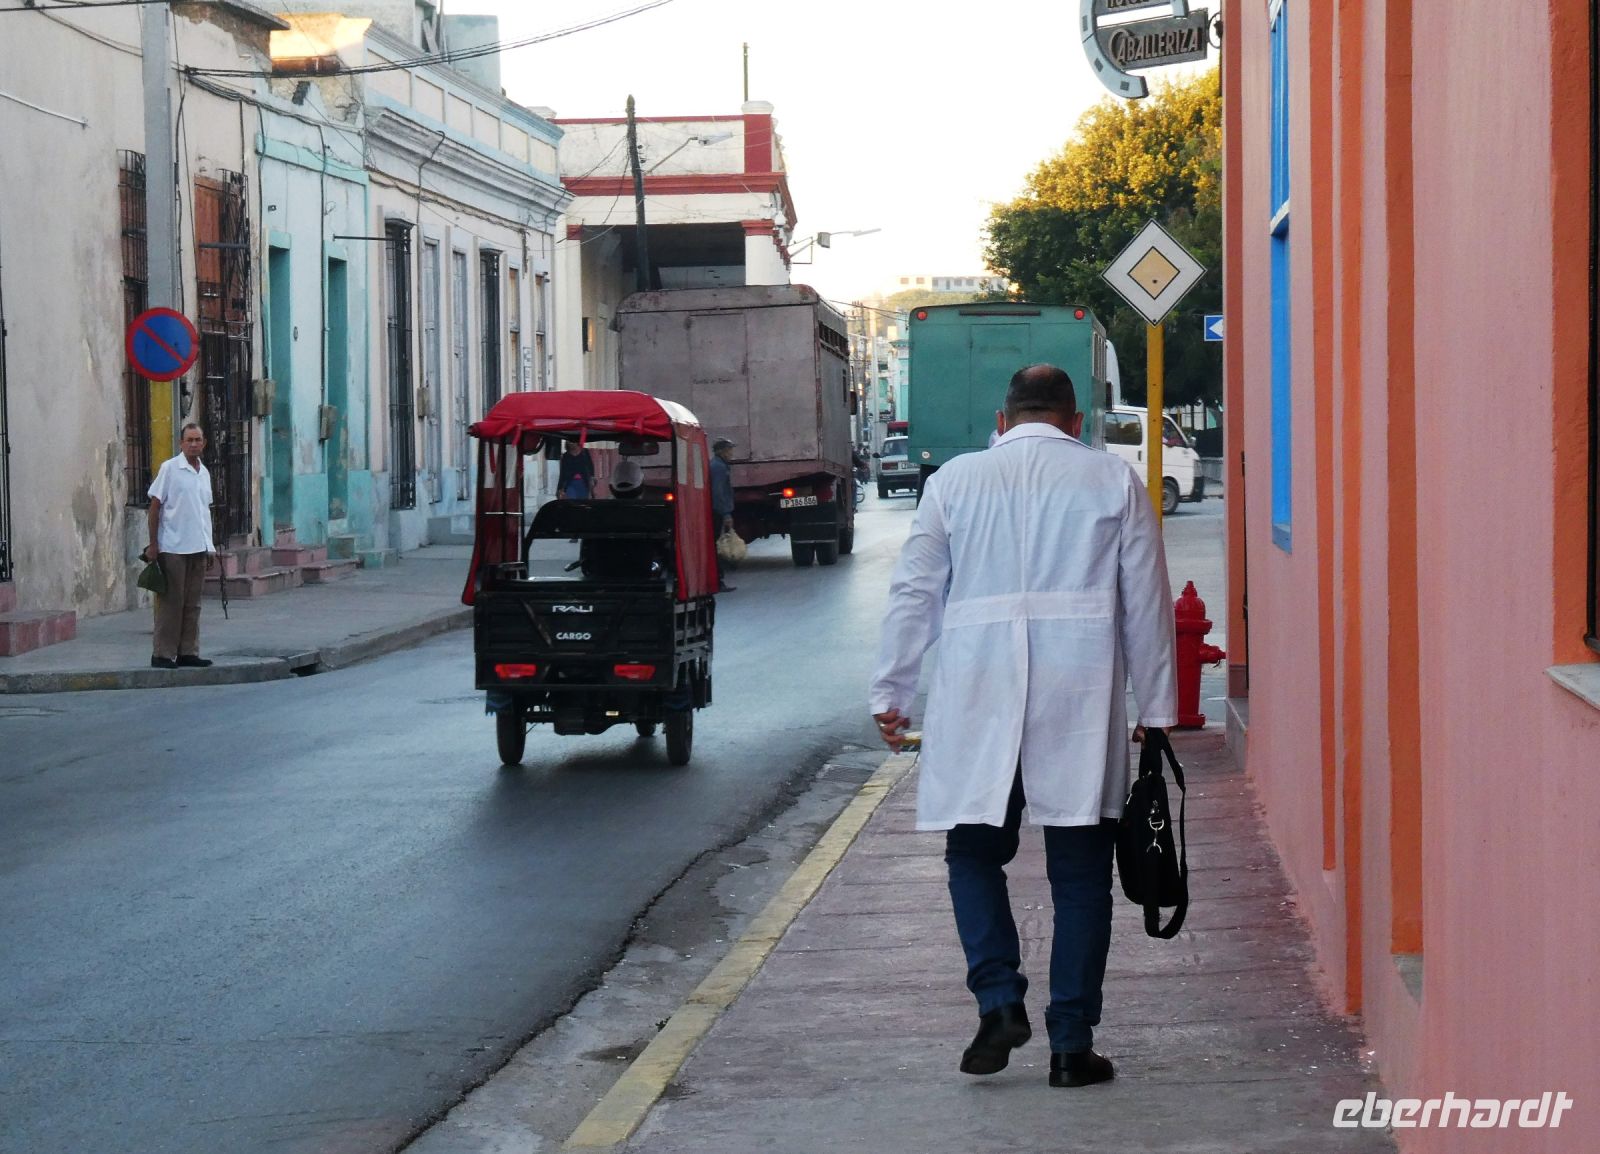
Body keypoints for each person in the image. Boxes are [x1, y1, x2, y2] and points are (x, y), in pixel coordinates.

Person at [869, 363, 1176, 1089]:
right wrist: (1156, 712)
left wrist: (893, 692)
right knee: (1079, 877)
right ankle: (1070, 1046)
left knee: (973, 854)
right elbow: (1147, 605)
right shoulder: (1111, 482)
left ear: (1002, 422)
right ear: (1075, 423)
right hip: (1078, 692)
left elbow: (915, 589)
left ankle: (998, 998)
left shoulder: (953, 483)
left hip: (979, 691)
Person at [144, 423, 218, 669]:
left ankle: (188, 651)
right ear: (181, 443)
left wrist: (210, 546)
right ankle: (163, 654)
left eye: (198, 440)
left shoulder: (203, 473)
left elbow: (203, 512)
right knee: (171, 604)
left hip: (197, 547)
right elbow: (155, 507)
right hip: (173, 547)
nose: (194, 444)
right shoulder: (170, 469)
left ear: (204, 443)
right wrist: (154, 544)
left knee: (193, 604)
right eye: (189, 440)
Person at [709, 437, 736, 593]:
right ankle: (717, 581)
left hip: (717, 511)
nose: (731, 452)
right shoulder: (718, 467)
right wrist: (726, 514)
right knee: (717, 546)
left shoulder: (719, 465)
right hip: (718, 512)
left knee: (717, 545)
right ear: (722, 451)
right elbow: (718, 492)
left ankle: (718, 580)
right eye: (729, 449)